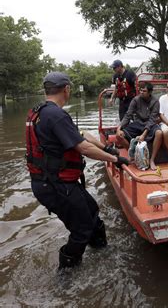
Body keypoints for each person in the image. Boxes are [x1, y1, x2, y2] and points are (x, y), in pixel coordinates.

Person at [26, 72, 129, 269]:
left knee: (92, 213)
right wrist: (115, 159)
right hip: (55, 184)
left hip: (53, 182)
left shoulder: (41, 111)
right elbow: (83, 148)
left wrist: (106, 147)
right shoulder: (56, 115)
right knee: (81, 229)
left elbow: (81, 136)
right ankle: (66, 275)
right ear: (66, 89)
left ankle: (101, 252)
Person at [116, 82, 163, 170]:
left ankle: (152, 160)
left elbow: (152, 119)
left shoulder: (155, 101)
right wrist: (119, 128)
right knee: (119, 135)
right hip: (138, 123)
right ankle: (133, 156)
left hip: (150, 124)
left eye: (144, 91)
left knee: (159, 133)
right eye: (140, 90)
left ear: (150, 92)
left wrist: (143, 135)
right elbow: (128, 115)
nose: (141, 92)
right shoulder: (135, 100)